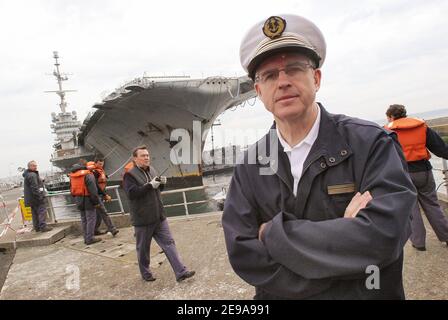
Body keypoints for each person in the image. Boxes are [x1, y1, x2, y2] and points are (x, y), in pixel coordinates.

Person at [222, 14, 417, 299]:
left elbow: (384, 239)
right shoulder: (250, 165)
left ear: (316, 78)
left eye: (294, 69)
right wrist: (343, 253)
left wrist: (270, 234)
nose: (283, 81)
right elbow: (243, 253)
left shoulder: (371, 143)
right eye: (270, 75)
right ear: (259, 90)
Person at [123, 145, 195, 282]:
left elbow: (155, 191)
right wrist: (150, 185)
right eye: (143, 156)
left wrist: (161, 184)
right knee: (143, 249)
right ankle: (146, 273)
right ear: (135, 158)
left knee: (169, 243)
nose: (146, 158)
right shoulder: (129, 175)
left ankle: (181, 272)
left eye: (147, 155)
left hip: (159, 217)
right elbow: (132, 194)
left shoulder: (152, 170)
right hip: (143, 220)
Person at [386, 104, 448, 251]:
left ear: (391, 117)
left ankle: (419, 243)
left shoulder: (388, 131)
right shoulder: (422, 127)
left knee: (411, 209)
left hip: (403, 174)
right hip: (424, 171)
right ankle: (446, 236)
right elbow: (441, 149)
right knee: (433, 205)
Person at [69, 162, 102, 245]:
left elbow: (72, 190)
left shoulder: (72, 176)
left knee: (84, 220)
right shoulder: (88, 175)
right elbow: (93, 191)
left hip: (78, 200)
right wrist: (96, 202)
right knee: (91, 219)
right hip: (88, 200)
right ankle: (90, 238)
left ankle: (86, 238)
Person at [87, 158, 119, 237]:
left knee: (99, 214)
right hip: (96, 195)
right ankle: (112, 229)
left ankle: (95, 230)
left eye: (102, 164)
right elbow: (96, 186)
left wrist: (105, 176)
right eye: (100, 164)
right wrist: (105, 194)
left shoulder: (99, 171)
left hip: (99, 195)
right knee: (103, 212)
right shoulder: (94, 173)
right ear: (96, 163)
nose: (101, 165)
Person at [23, 161, 52, 232]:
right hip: (36, 198)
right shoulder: (32, 175)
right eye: (34, 166)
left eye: (36, 165)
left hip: (31, 199)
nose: (36, 167)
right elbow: (35, 188)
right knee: (42, 212)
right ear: (29, 167)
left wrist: (40, 180)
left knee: (35, 213)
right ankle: (43, 227)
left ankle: (37, 227)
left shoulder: (28, 174)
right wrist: (40, 197)